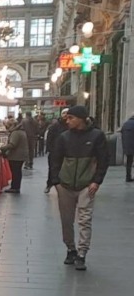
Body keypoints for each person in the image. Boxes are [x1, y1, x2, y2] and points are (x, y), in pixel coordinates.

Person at [47, 105, 108, 271]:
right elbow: (55, 160)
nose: (67, 121)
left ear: (81, 118)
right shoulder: (63, 137)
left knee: (84, 219)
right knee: (66, 220)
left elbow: (103, 160)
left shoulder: (97, 136)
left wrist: (96, 181)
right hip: (65, 185)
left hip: (86, 185)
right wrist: (56, 182)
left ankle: (82, 253)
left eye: (71, 118)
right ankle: (70, 248)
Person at [2, 118, 29, 193]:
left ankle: (15, 187)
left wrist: (3, 148)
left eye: (8, 126)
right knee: (17, 171)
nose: (7, 128)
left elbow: (12, 144)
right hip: (21, 155)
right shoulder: (21, 131)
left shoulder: (15, 133)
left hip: (16, 156)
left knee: (15, 172)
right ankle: (16, 186)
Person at [43, 114, 69, 193]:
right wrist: (50, 149)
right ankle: (50, 184)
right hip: (55, 151)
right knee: (52, 168)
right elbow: (49, 138)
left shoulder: (70, 126)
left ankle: (64, 185)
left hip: (66, 152)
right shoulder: (55, 126)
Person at [121, 113, 134, 182]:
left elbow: (122, 133)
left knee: (129, 161)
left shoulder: (125, 124)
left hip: (127, 146)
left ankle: (128, 176)